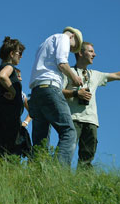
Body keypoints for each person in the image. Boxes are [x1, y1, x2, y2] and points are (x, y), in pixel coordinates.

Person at [62, 41, 120, 169]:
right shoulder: (69, 72)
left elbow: (117, 75)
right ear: (80, 53)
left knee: (87, 157)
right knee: (67, 151)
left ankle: (83, 180)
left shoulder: (95, 75)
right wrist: (77, 93)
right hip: (73, 119)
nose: (95, 54)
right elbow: (59, 92)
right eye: (91, 51)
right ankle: (61, 175)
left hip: (91, 121)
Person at [28, 26, 83, 167]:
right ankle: (59, 172)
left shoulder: (45, 43)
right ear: (72, 37)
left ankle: (34, 174)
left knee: (40, 141)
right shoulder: (64, 38)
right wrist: (74, 77)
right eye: (73, 47)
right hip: (50, 88)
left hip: (36, 91)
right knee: (69, 132)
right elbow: (62, 63)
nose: (71, 51)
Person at [0, 37, 29, 161]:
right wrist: (13, 91)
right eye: (19, 53)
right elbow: (3, 76)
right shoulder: (9, 67)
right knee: (11, 153)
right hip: (8, 118)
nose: (21, 56)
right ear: (11, 53)